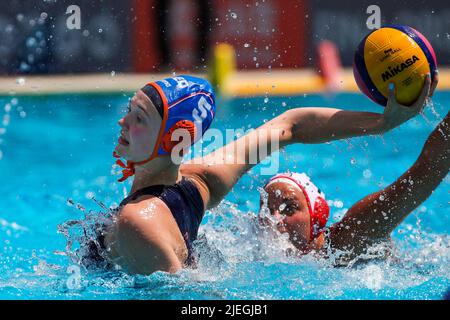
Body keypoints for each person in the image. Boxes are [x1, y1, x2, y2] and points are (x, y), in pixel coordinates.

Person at [91, 72, 436, 275]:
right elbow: (291, 125)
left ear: (177, 138)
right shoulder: (199, 182)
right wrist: (381, 123)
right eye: (129, 111)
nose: (123, 122)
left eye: (139, 118)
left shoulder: (139, 221)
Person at [261, 110, 449, 265]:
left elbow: (425, 172)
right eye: (267, 211)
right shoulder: (256, 254)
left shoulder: (351, 236)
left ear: (317, 214)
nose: (275, 220)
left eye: (289, 208)